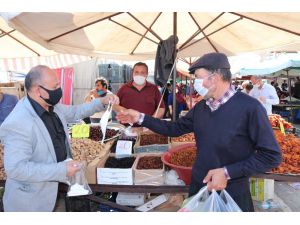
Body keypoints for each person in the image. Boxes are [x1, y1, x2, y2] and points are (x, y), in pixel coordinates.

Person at [116, 52, 281, 212]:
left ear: (215, 78)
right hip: (199, 186)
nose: (196, 84)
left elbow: (271, 156)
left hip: (232, 192)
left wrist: (227, 172)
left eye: (198, 78)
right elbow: (174, 129)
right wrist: (140, 117)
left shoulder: (250, 108)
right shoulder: (202, 107)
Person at [0, 65, 119, 212]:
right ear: (38, 90)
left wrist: (102, 102)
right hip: (32, 203)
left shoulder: (50, 105)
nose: (59, 89)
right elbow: (16, 169)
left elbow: (76, 111)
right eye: (55, 86)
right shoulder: (19, 122)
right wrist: (61, 170)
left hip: (56, 192)